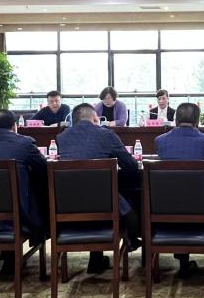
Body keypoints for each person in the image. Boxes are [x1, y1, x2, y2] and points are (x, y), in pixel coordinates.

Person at [56, 103, 141, 273]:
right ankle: (132, 240)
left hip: (69, 206)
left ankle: (96, 259)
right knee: (129, 199)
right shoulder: (106, 134)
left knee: (92, 190)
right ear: (95, 118)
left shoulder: (61, 137)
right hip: (104, 205)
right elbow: (131, 166)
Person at [0, 109, 49, 275]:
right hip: (16, 215)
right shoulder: (24, 143)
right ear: (14, 126)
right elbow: (43, 168)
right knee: (39, 192)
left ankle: (1, 258)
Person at [153, 102, 204, 278]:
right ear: (197, 121)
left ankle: (181, 261)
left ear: (175, 120)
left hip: (164, 209)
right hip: (201, 209)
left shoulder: (160, 141)